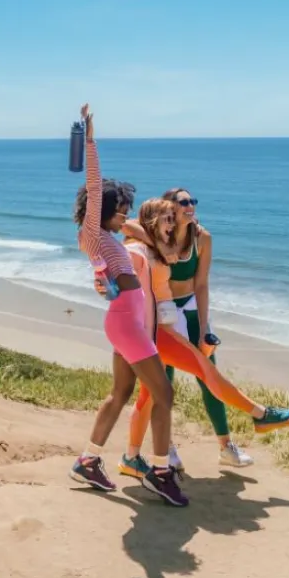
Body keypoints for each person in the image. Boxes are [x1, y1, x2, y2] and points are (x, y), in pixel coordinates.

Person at [116, 192, 289, 480]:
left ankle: (225, 445)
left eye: (192, 202)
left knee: (202, 375)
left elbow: (201, 285)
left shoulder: (200, 238)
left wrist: (204, 329)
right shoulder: (147, 242)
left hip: (179, 314)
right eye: (183, 203)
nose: (191, 207)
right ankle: (162, 450)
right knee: (159, 387)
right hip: (157, 322)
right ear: (168, 211)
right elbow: (126, 228)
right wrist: (158, 243)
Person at [69, 104, 188, 507]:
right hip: (126, 323)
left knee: (120, 394)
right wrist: (89, 137)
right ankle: (159, 471)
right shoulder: (93, 234)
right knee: (164, 394)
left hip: (124, 318)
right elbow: (96, 187)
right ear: (101, 211)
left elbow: (142, 245)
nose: (124, 217)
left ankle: (88, 460)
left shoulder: (108, 240)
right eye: (119, 212)